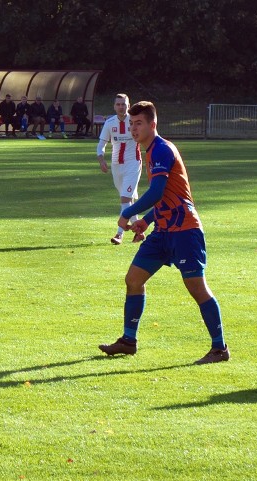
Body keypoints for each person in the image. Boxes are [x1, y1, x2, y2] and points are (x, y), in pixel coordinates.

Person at [99, 101, 229, 365]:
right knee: (133, 279)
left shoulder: (161, 150)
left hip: (185, 231)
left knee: (197, 288)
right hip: (163, 230)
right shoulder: (148, 151)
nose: (134, 128)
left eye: (139, 123)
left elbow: (157, 192)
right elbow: (165, 197)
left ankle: (219, 348)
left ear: (152, 124)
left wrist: (128, 213)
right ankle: (128, 341)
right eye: (131, 123)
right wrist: (146, 221)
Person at [96, 93, 143, 245]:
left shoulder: (135, 121)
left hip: (133, 164)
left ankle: (119, 234)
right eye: (118, 104)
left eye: (124, 104)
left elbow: (147, 138)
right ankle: (140, 233)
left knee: (125, 199)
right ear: (114, 106)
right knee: (128, 201)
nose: (121, 107)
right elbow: (101, 144)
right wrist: (101, 159)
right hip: (117, 165)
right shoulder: (109, 123)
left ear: (129, 106)